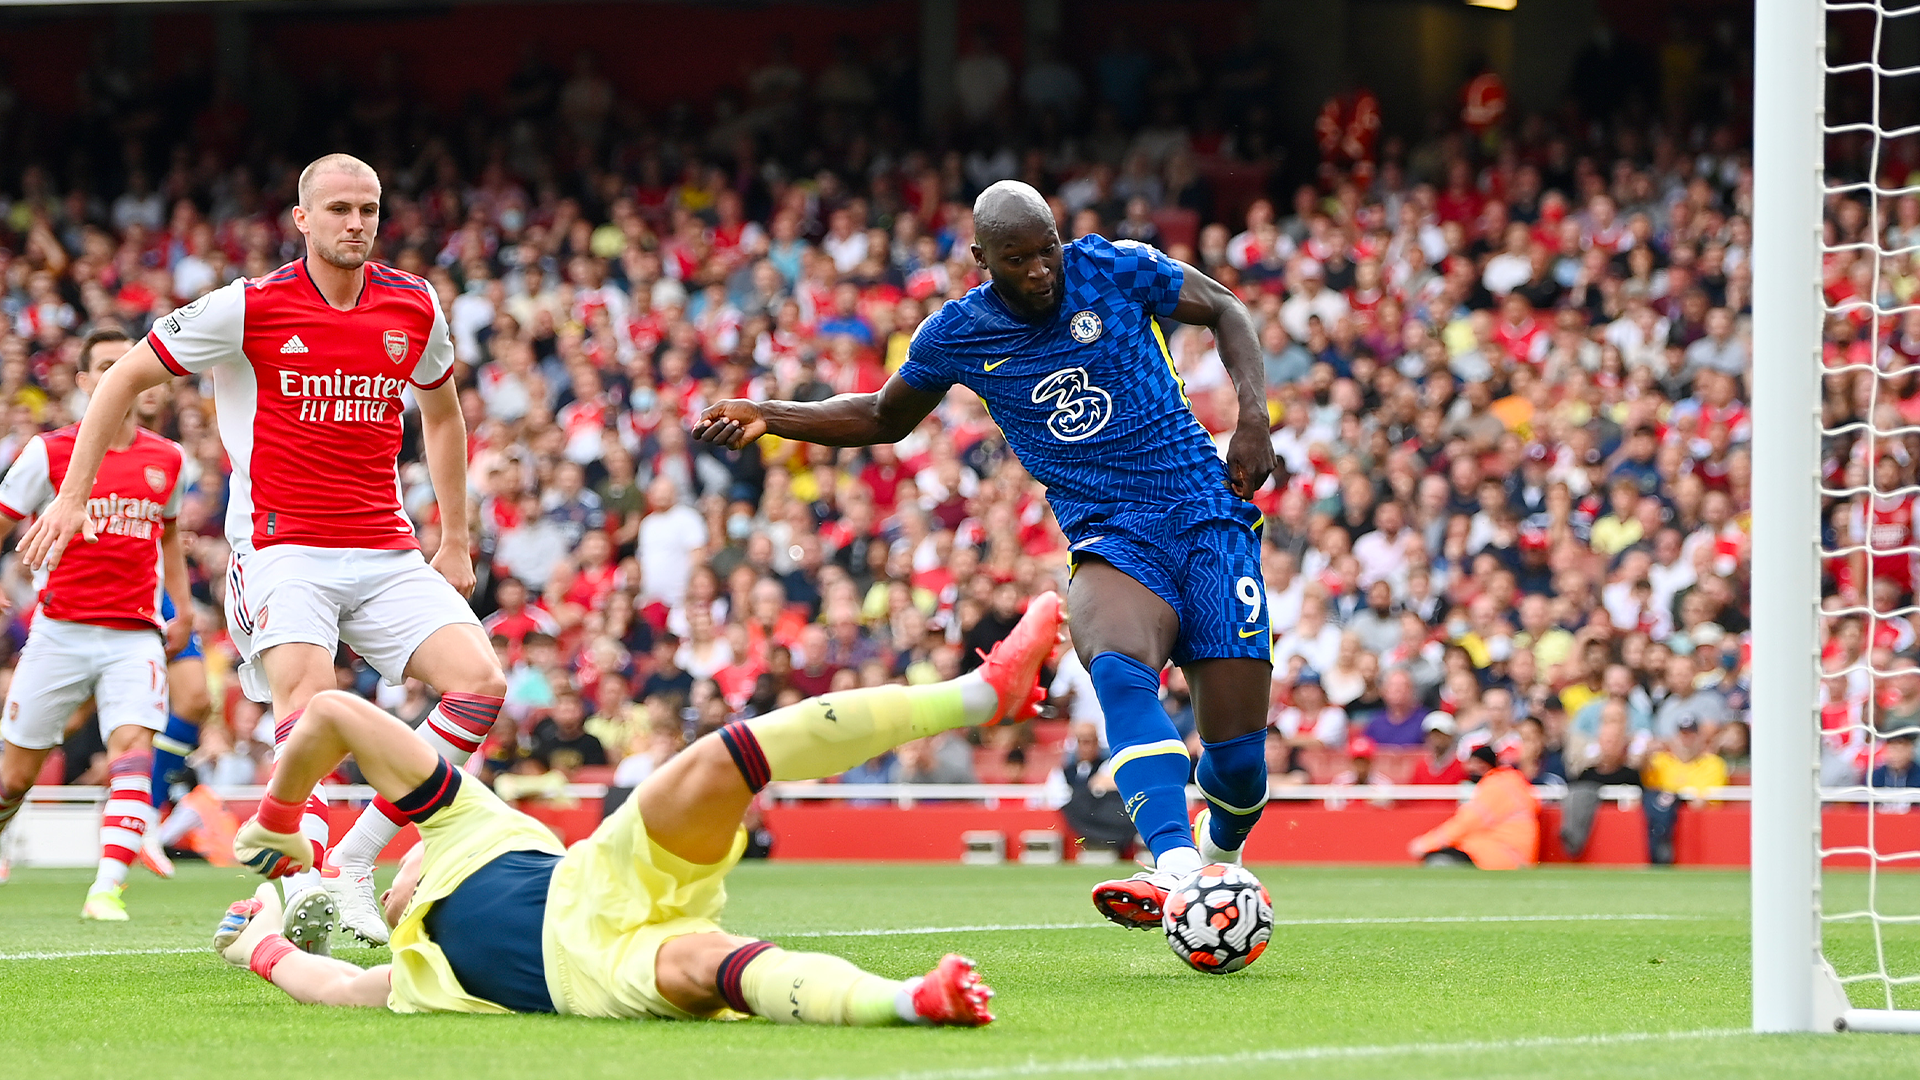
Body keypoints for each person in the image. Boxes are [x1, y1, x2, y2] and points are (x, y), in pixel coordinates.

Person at [694, 180, 1279, 929]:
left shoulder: (1118, 267)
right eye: (1018, 258)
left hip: (1207, 516)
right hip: (1111, 532)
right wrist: (769, 415)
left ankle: (1217, 843)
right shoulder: (958, 334)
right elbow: (881, 415)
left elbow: (1226, 306)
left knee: (1238, 769)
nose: (1040, 271)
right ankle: (1176, 866)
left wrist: (1253, 418)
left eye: (1047, 251)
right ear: (981, 259)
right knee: (1115, 663)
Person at [20, 154, 508, 951]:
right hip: (282, 543)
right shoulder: (248, 306)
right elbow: (119, 381)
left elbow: (444, 417)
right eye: (341, 209)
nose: (357, 223)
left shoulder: (414, 304)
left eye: (369, 209)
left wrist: (455, 540)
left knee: (480, 686)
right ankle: (301, 879)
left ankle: (350, 859)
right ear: (303, 220)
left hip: (385, 543)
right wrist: (72, 495)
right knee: (311, 705)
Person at [215, 593, 1064, 1023]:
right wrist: (260, 944)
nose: (397, 878)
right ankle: (913, 1000)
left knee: (712, 763)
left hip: (603, 877)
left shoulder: (470, 825)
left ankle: (976, 694)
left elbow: (332, 715)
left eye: (398, 862)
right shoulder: (412, 975)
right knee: (711, 967)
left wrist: (282, 817)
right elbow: (329, 984)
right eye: (395, 880)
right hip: (593, 974)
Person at [0, 329, 193, 916]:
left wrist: (180, 604)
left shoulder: (168, 458)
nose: (117, 374)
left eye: (125, 364)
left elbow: (169, 534)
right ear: (84, 382)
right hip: (59, 630)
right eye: (104, 365)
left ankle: (107, 886)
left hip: (135, 632)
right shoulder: (48, 453)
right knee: (14, 778)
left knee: (133, 745)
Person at [1406, 746, 1540, 869]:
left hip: (1502, 855)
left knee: (1438, 861)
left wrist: (1426, 844)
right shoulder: (1509, 783)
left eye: (1476, 764)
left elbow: (1466, 823)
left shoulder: (1495, 788)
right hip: (1509, 854)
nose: (1471, 768)